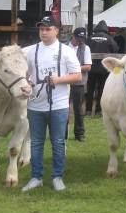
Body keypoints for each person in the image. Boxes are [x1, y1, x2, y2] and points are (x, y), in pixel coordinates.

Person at [21, 16, 82, 192]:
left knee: (58, 142)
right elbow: (22, 73)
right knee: (36, 142)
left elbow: (77, 75)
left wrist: (58, 79)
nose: (44, 32)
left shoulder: (66, 51)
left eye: (48, 29)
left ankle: (57, 177)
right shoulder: (30, 51)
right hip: (35, 105)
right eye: (41, 29)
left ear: (57, 30)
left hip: (59, 105)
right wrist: (27, 82)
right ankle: (36, 177)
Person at [86, 20, 118, 117]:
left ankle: (88, 111)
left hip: (91, 68)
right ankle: (98, 111)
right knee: (101, 90)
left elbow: (84, 48)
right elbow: (116, 49)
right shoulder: (109, 38)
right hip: (104, 69)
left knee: (90, 89)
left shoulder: (90, 38)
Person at [69, 27, 92, 142]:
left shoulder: (85, 48)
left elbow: (88, 66)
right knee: (62, 109)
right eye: (78, 38)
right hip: (65, 82)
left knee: (78, 109)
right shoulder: (64, 47)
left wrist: (73, 69)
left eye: (81, 38)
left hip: (79, 83)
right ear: (73, 35)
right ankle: (62, 133)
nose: (79, 41)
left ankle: (79, 133)